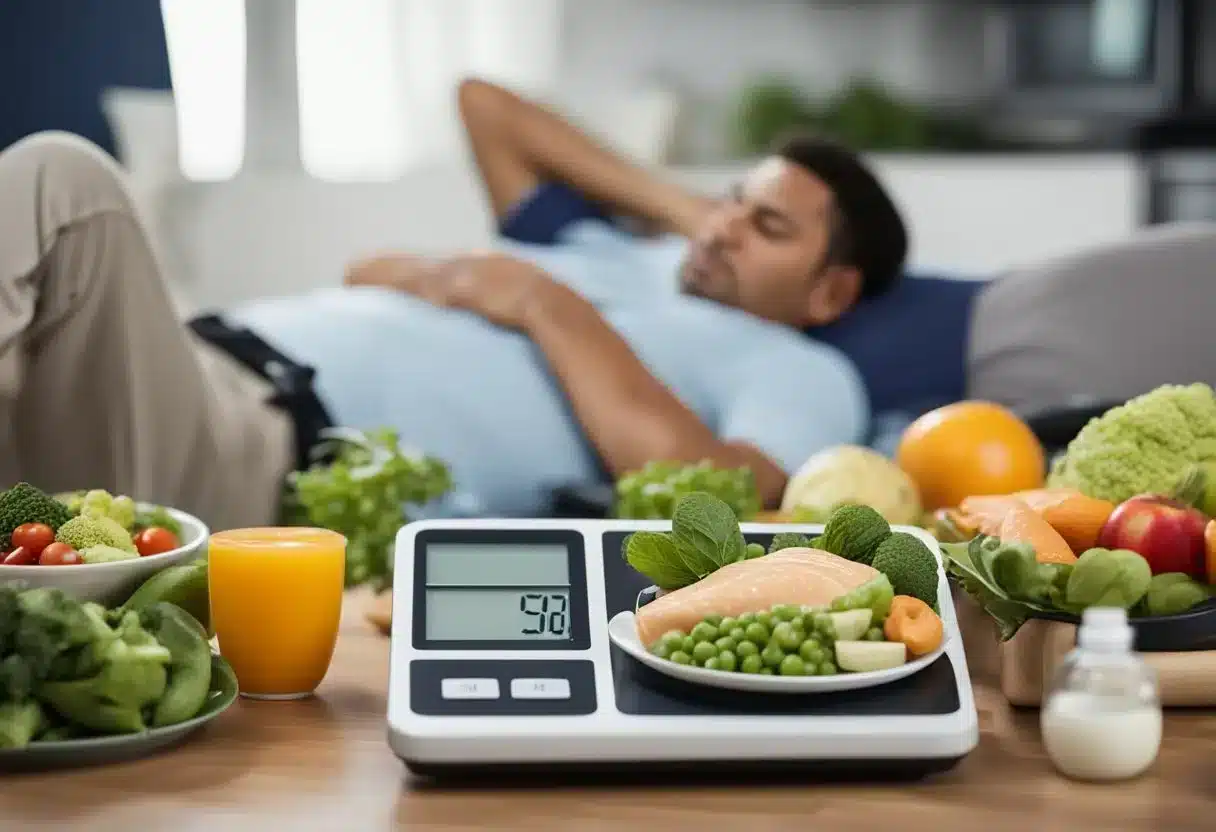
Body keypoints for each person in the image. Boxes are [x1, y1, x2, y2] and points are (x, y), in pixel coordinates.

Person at [0, 79, 910, 528]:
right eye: (732, 202)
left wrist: (543, 304)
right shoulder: (611, 250)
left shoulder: (800, 367)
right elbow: (483, 107)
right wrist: (694, 214)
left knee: (63, 182)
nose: (725, 232)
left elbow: (724, 496)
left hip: (244, 446)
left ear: (832, 290)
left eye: (771, 230)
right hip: (176, 357)